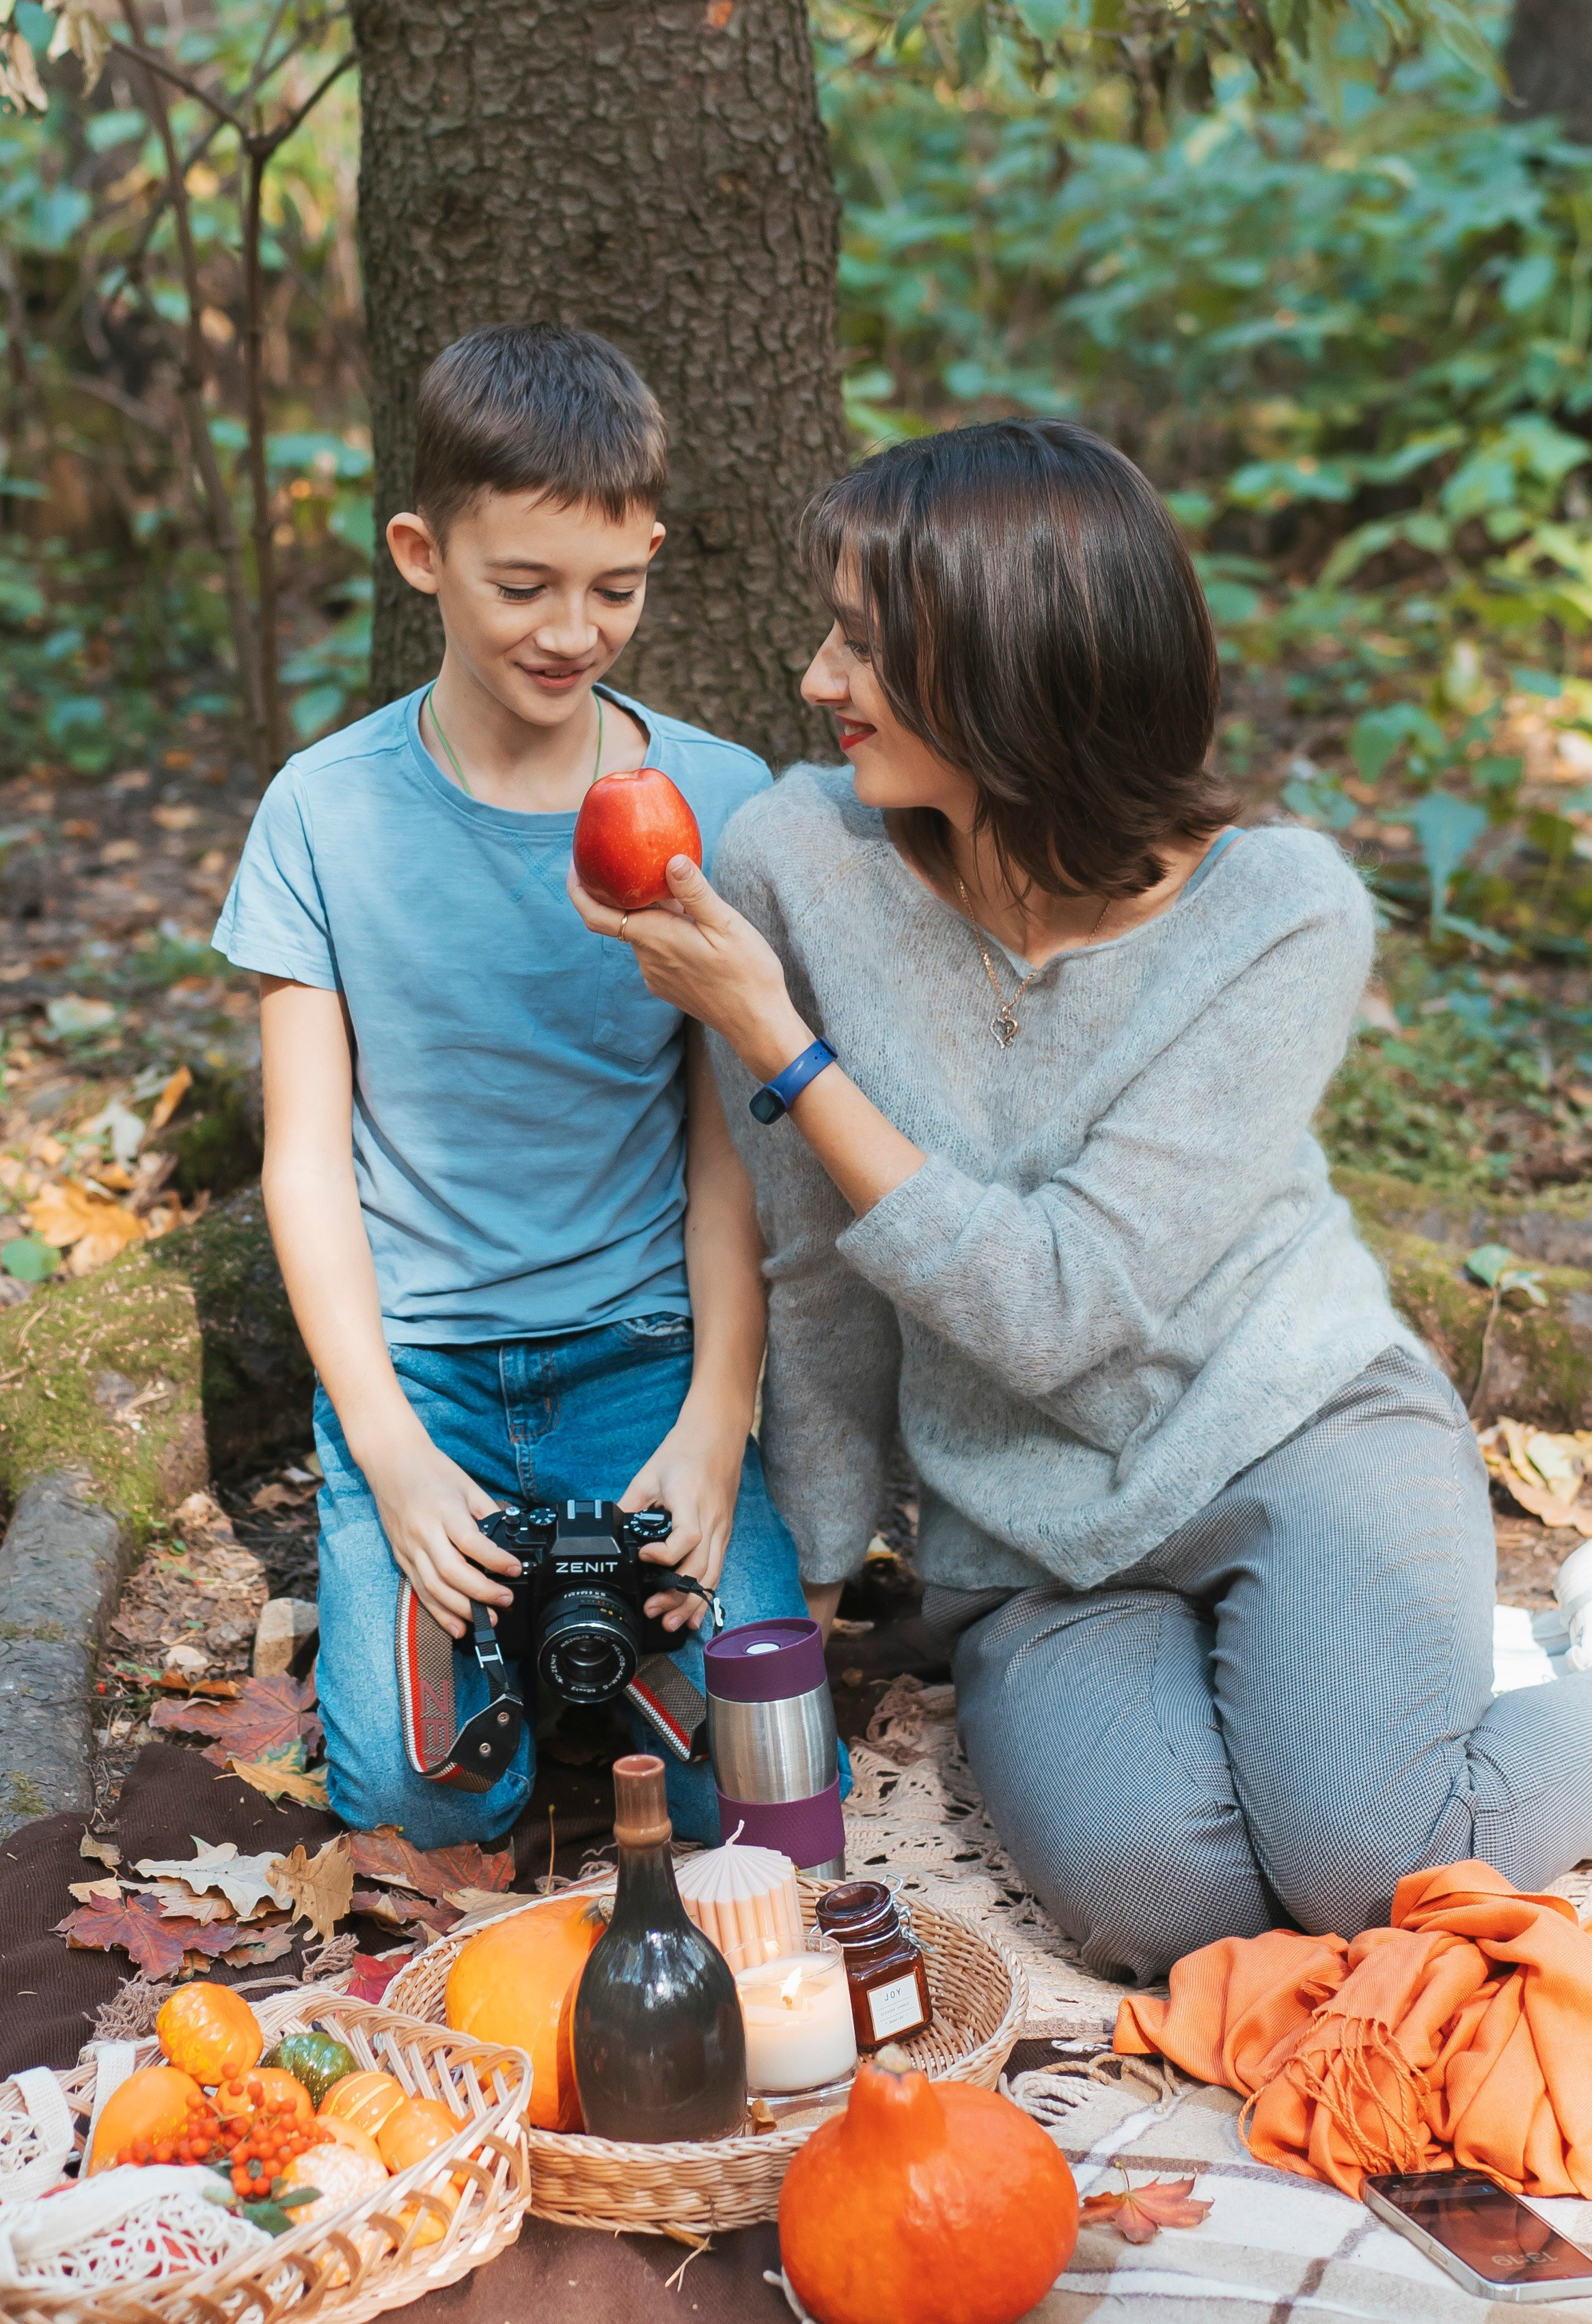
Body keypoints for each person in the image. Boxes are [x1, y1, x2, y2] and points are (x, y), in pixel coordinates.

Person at [569, 417, 1592, 1982]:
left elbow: (1061, 1305)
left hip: (1292, 1426)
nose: (817, 679)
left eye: (862, 646)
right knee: (1161, 1904)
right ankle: (1347, 1691)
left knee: (1372, 1866)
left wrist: (779, 1041)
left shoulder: (1280, 915)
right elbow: (818, 1264)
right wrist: (812, 1586)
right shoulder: (791, 860)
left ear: (1010, 662)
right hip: (1030, 1528)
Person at [215, 321, 809, 1849]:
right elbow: (304, 1160)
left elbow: (729, 1147)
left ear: (653, 553)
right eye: (523, 586)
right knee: (421, 1808)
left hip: (642, 1359)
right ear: (422, 555)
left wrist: (717, 1419)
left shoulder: (714, 797)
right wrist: (389, 1453)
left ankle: (584, 1650)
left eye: (613, 589)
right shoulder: (322, 815)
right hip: (422, 1372)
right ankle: (525, 1644)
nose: (572, 631)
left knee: (761, 1781)